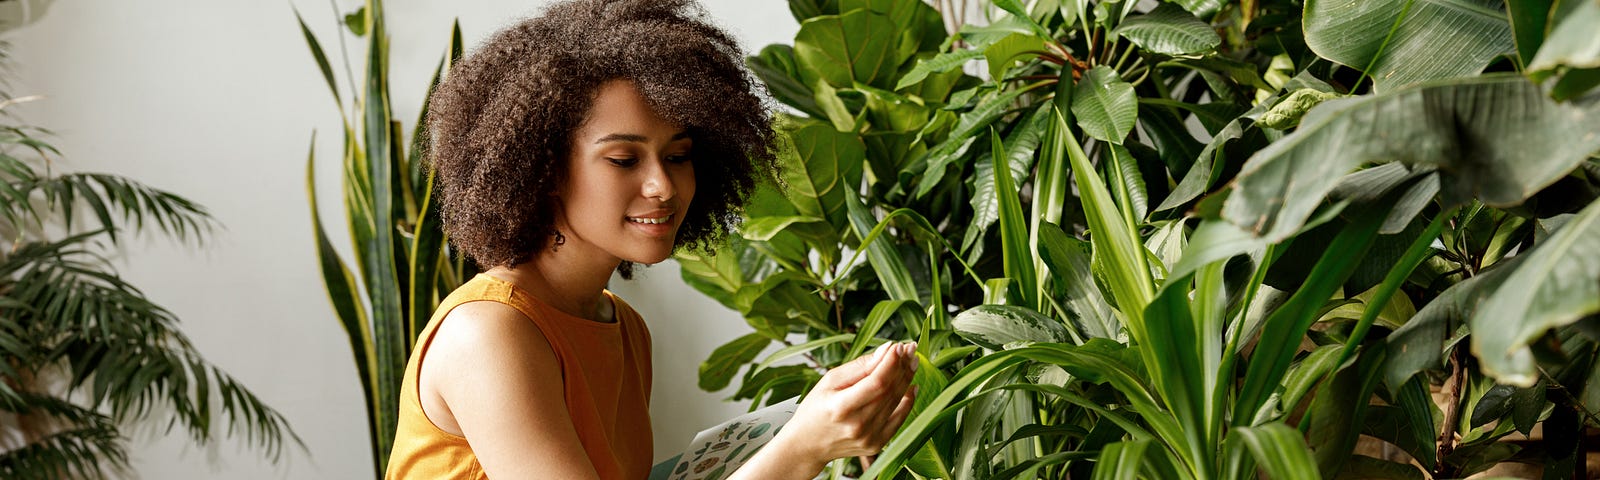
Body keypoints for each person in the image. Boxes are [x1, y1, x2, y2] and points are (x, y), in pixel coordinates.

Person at [383, 1, 919, 479]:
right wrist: (801, 450)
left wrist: (815, 430)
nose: (663, 185)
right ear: (542, 170)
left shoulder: (623, 328)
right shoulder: (489, 333)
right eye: (623, 159)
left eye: (679, 156)